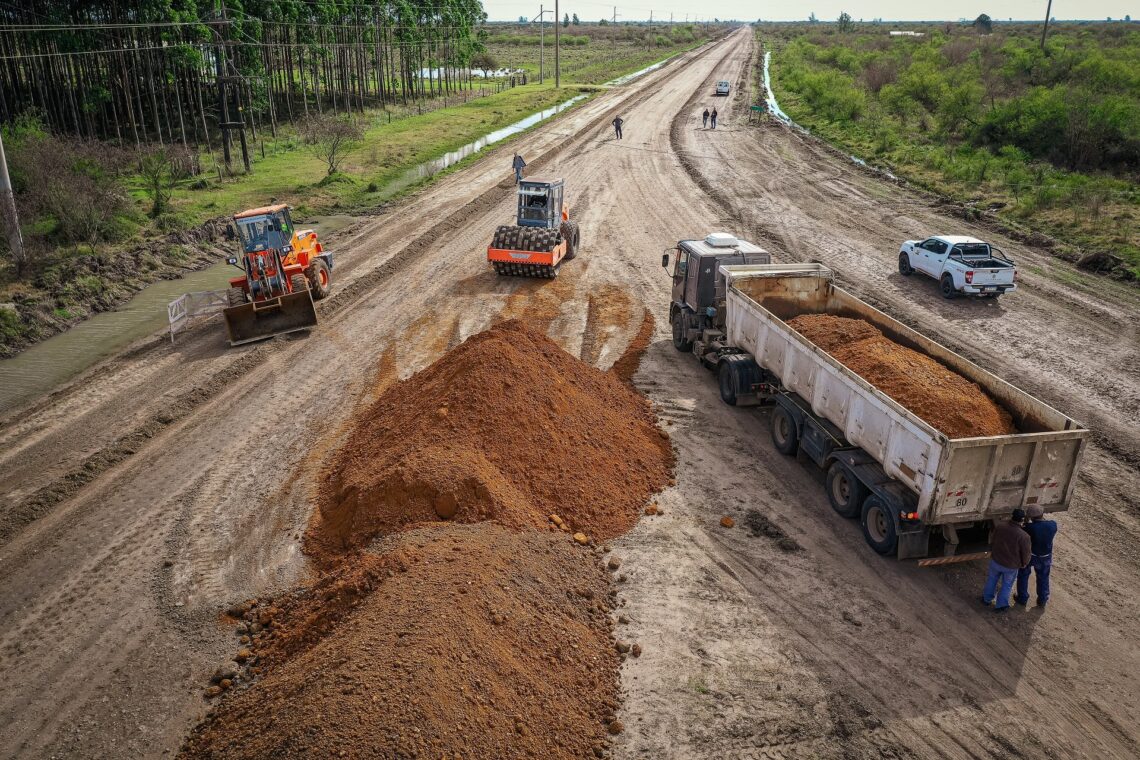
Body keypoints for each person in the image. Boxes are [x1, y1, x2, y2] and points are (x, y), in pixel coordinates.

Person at [982, 509, 1031, 612]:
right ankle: (1001, 606)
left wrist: (992, 551)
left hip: (996, 560)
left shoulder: (1000, 526)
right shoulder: (1024, 536)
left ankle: (986, 599)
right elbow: (1026, 553)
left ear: (1012, 516)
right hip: (1011, 566)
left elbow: (993, 539)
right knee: (1007, 585)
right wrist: (1024, 563)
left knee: (992, 580)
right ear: (1022, 520)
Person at [1015, 504, 1057, 609]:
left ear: (1031, 517)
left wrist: (1026, 521)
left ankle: (1022, 598)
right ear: (1042, 514)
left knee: (1023, 575)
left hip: (1031, 556)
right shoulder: (1053, 525)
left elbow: (1023, 531)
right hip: (1045, 557)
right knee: (1043, 577)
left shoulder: (1029, 528)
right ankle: (1042, 600)